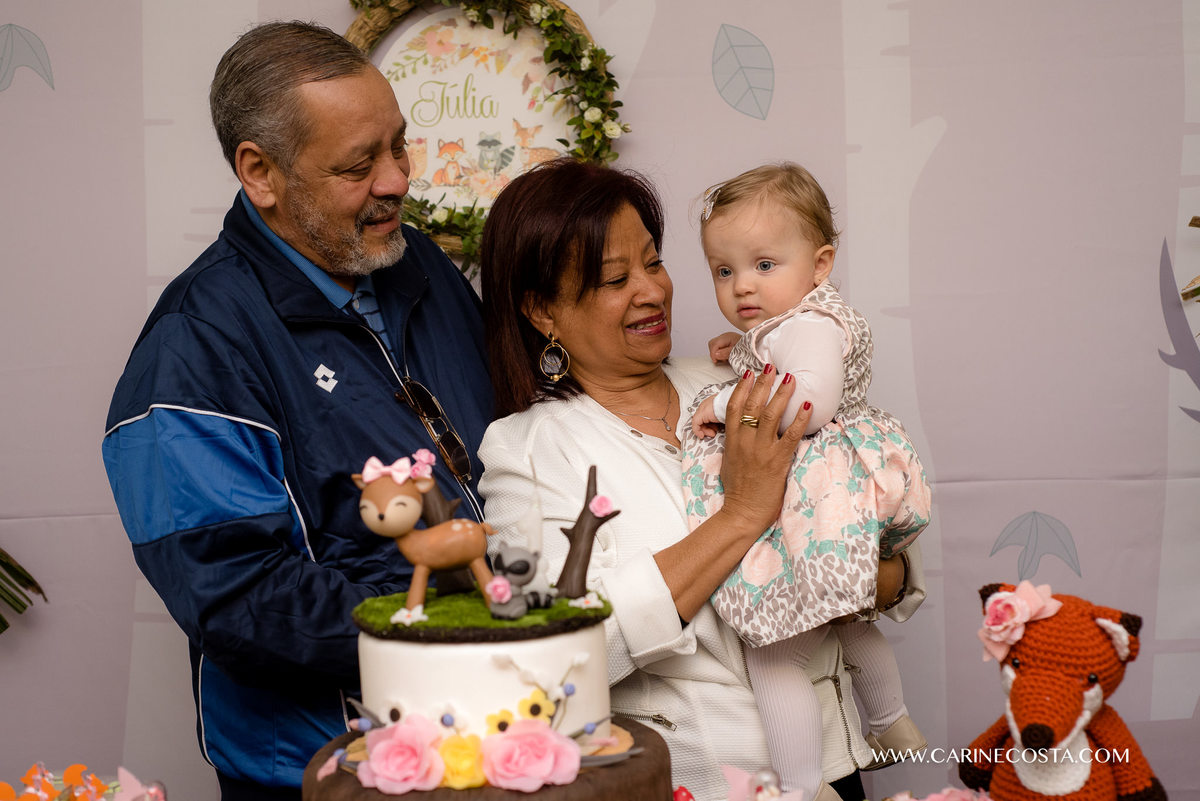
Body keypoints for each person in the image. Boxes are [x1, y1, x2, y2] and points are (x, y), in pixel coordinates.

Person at [101, 21, 491, 800]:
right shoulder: (192, 348)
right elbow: (237, 598)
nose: (395, 181)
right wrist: (461, 613)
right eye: (358, 164)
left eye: (398, 147)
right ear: (261, 172)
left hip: (485, 729)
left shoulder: (421, 267)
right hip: (322, 768)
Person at [475, 158, 925, 801]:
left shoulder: (740, 382)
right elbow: (555, 660)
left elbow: (876, 540)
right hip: (705, 781)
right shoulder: (530, 448)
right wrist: (742, 513)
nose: (652, 292)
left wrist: (876, 574)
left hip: (835, 770)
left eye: (653, 263)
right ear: (543, 310)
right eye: (613, 278)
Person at [683, 162, 931, 796]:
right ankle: (891, 719)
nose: (742, 286)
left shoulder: (811, 326)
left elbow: (810, 403)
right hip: (834, 486)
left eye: (765, 266)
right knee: (848, 618)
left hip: (821, 483)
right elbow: (777, 352)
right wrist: (741, 349)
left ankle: (799, 786)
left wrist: (723, 402)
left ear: (820, 265)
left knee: (773, 654)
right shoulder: (793, 322)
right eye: (724, 270)